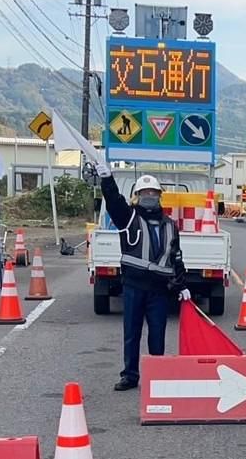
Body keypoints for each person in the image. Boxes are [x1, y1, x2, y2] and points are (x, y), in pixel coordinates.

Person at [95, 162, 191, 391]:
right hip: (133, 286)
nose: (149, 196)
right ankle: (130, 375)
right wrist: (107, 180)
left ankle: (156, 373)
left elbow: (175, 256)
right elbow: (114, 201)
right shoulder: (128, 218)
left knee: (157, 333)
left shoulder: (170, 225)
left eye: (153, 193)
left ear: (160, 196)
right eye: (145, 192)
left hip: (159, 290)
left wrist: (182, 285)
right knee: (132, 333)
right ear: (137, 196)